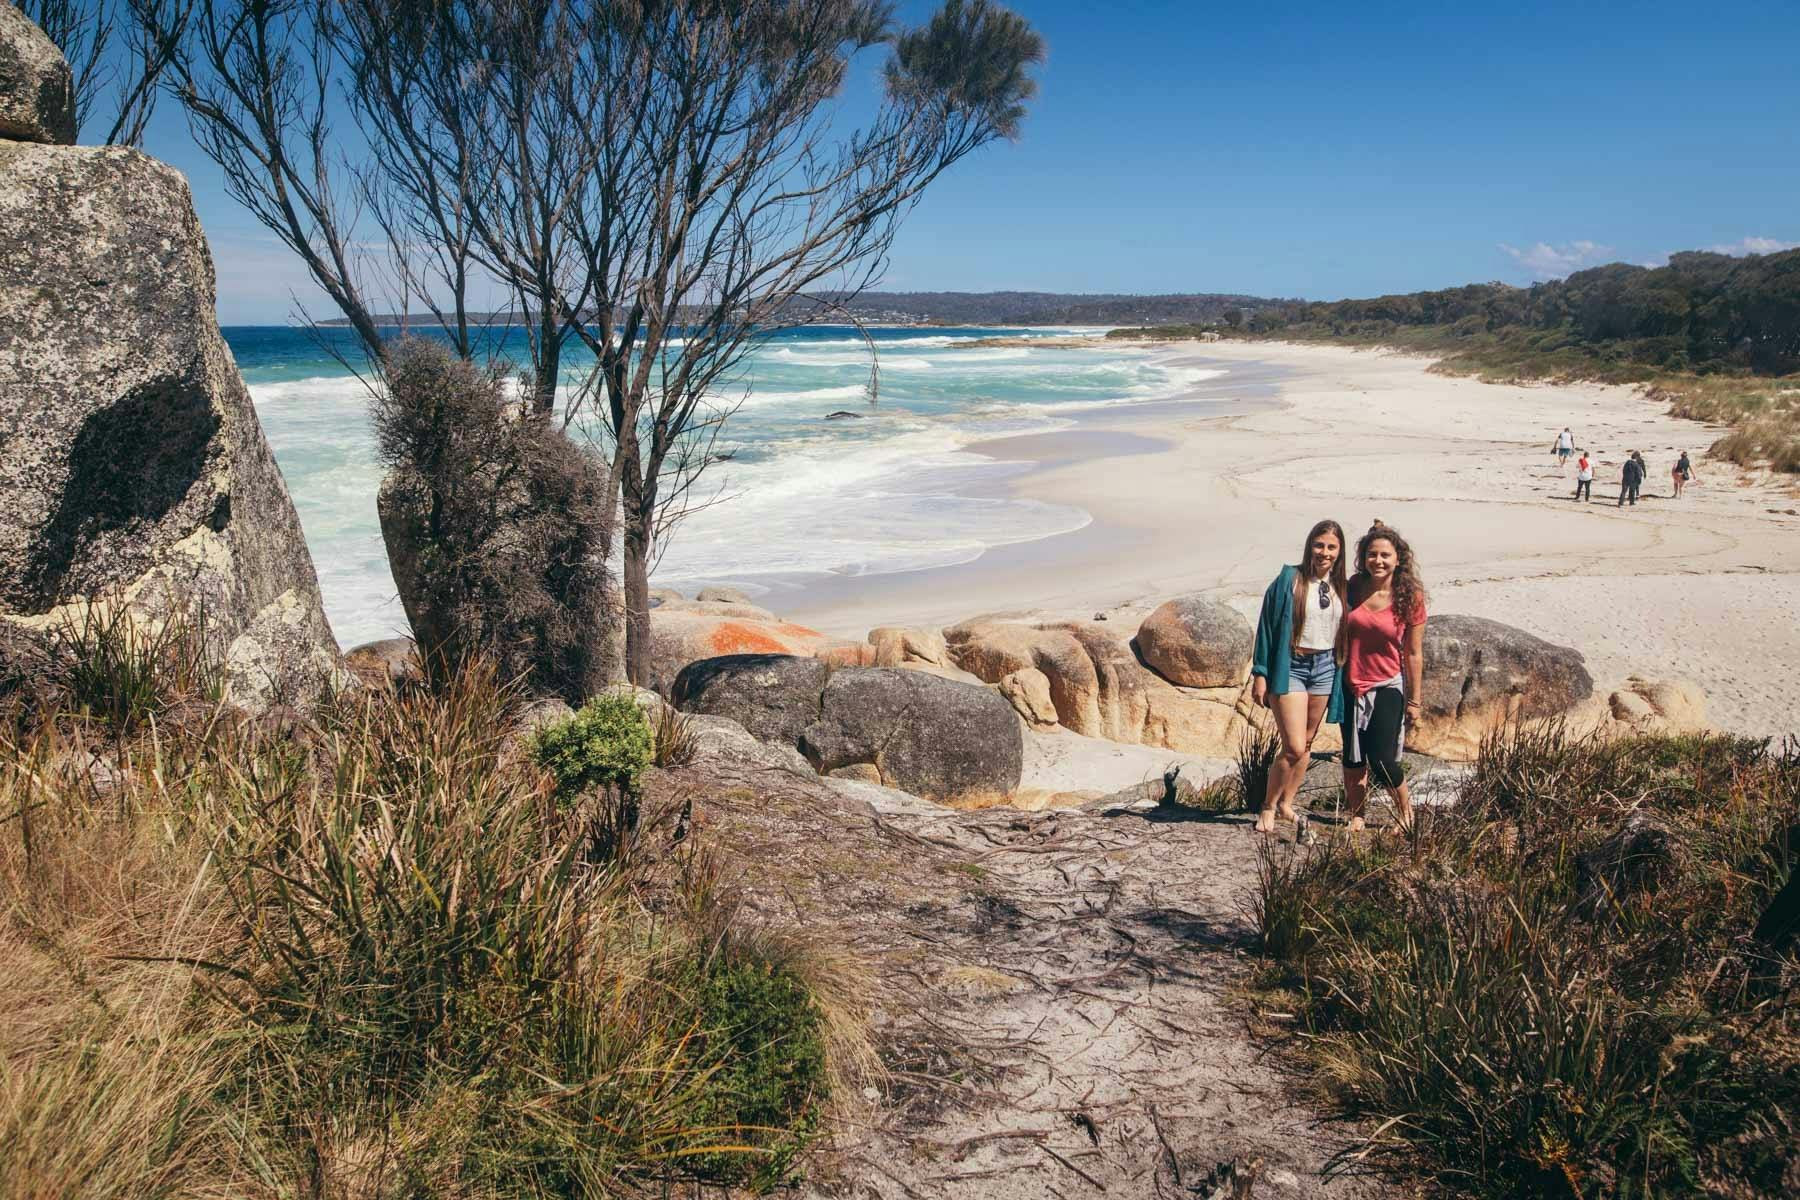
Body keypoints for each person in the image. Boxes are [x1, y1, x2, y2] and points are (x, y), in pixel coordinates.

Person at [1249, 520, 1350, 834]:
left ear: (1340, 551)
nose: (1324, 552)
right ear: (1309, 545)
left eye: (1331, 547)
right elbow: (1266, 627)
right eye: (1319, 545)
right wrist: (1260, 673)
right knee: (1292, 746)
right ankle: (1268, 806)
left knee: (1306, 743)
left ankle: (1286, 804)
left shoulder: (1343, 586)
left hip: (1325, 667)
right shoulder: (1288, 579)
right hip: (1291, 665)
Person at [1338, 521, 1427, 833]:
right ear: (1363, 558)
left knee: (1381, 758)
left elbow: (1413, 653)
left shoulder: (1409, 597)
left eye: (1385, 555)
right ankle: (1357, 815)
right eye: (1372, 554)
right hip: (1350, 685)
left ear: (1398, 559)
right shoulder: (1352, 587)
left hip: (1387, 684)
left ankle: (1405, 811)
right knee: (1353, 758)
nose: (1378, 560)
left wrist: (1414, 702)